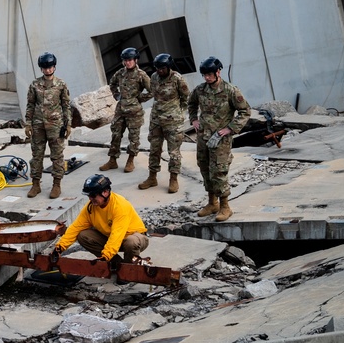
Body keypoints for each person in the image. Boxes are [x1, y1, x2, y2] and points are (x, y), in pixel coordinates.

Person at [187, 57, 251, 222]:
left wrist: (230, 129)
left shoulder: (230, 90)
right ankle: (212, 203)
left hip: (220, 139)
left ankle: (225, 206)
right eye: (204, 75)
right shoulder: (200, 90)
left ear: (218, 72)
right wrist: (193, 119)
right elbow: (191, 103)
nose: (207, 78)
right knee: (205, 168)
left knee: (219, 172)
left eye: (209, 74)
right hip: (203, 137)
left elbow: (245, 111)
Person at [52, 174, 149, 266]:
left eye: (93, 196)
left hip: (134, 238)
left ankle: (128, 269)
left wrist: (106, 255)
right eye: (89, 196)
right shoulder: (91, 207)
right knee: (83, 236)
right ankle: (115, 264)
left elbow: (117, 235)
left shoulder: (120, 206)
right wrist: (59, 248)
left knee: (131, 242)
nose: (90, 199)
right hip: (111, 237)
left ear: (105, 192)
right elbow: (76, 227)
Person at [139, 53, 190, 194]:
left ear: (168, 67)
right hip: (156, 120)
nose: (159, 71)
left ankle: (173, 178)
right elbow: (153, 94)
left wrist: (180, 114)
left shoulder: (177, 79)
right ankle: (152, 177)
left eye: (162, 68)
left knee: (173, 152)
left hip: (173, 121)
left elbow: (186, 98)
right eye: (157, 68)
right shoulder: (154, 77)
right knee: (154, 149)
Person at [25, 52, 71, 199]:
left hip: (55, 126)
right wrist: (28, 123)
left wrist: (68, 124)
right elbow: (30, 105)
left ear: (54, 67)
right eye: (45, 68)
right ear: (41, 69)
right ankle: (36, 184)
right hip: (38, 125)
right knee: (36, 155)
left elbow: (66, 105)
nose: (48, 70)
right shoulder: (35, 84)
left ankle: (56, 185)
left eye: (50, 67)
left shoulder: (61, 84)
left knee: (57, 156)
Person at [100, 47, 152, 173]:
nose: (127, 62)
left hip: (134, 111)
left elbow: (152, 90)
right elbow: (112, 84)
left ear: (135, 60)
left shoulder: (141, 75)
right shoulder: (120, 73)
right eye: (125, 60)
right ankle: (112, 160)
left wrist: (140, 98)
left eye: (130, 60)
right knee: (116, 134)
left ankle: (130, 160)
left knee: (134, 137)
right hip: (121, 109)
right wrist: (116, 95)